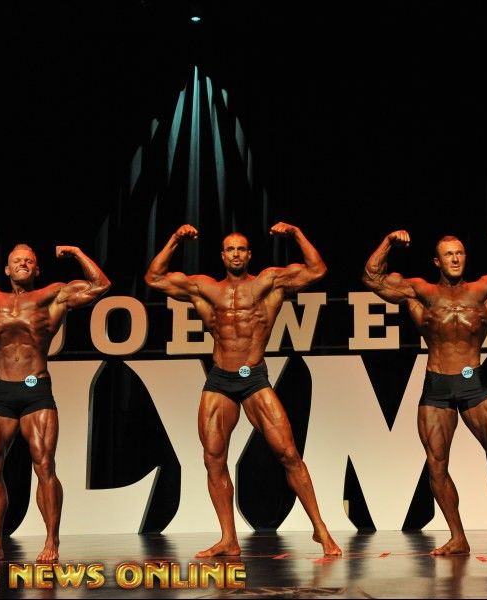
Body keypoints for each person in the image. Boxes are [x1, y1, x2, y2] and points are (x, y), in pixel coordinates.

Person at [145, 222, 342, 557]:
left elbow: (317, 270)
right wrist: (175, 238)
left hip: (253, 378)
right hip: (220, 380)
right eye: (230, 249)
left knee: (288, 454)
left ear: (249, 255)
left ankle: (320, 529)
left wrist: (296, 233)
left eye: (241, 249)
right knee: (213, 458)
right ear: (222, 256)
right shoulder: (205, 288)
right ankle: (228, 538)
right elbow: (154, 277)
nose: (235, 254)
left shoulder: (269, 283)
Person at [363, 228, 487, 555]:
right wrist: (388, 242)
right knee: (436, 464)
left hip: (473, 381)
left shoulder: (485, 289)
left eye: (460, 253)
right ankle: (457, 536)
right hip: (437, 386)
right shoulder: (420, 291)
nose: (456, 259)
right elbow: (372, 277)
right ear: (437, 261)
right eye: (449, 254)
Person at [0, 244, 111, 563]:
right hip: (1, 390)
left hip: (36, 389)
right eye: (17, 260)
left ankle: (51, 542)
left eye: (29, 260)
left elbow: (100, 285)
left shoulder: (52, 296)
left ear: (37, 269)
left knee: (44, 465)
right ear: (7, 269)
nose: (23, 264)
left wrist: (76, 253)